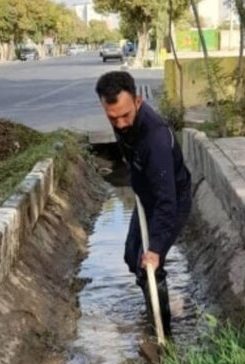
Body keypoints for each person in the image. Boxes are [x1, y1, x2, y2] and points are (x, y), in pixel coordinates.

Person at [95, 70, 192, 336]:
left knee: (150, 262)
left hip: (171, 200)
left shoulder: (155, 138)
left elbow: (167, 202)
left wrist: (156, 249)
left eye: (126, 115)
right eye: (113, 117)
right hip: (146, 198)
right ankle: (153, 307)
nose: (121, 123)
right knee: (132, 257)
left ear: (138, 101)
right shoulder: (122, 122)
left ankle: (164, 333)